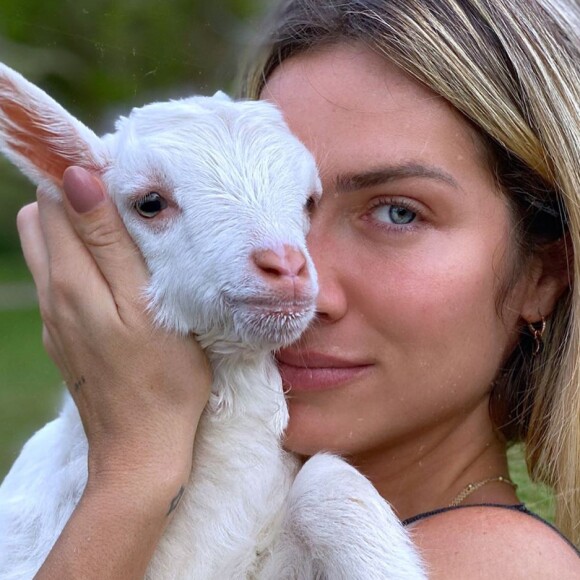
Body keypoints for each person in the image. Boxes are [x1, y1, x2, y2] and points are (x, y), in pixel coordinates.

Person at [13, 0, 580, 577]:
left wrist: (134, 473)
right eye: (299, 205)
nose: (307, 284)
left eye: (399, 214)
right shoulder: (280, 519)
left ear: (541, 274)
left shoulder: (492, 563)